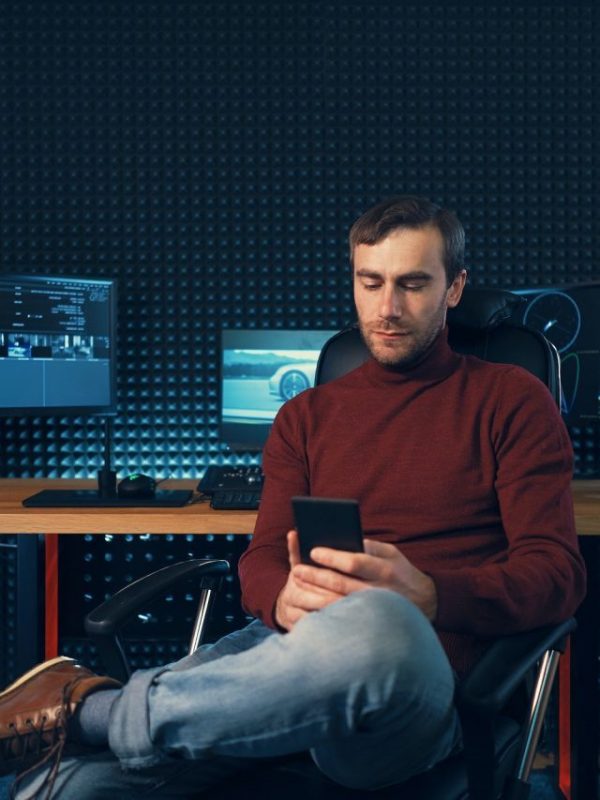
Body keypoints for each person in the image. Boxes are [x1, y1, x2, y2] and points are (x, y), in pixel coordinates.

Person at [0, 195, 586, 799]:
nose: (387, 308)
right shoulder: (305, 416)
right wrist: (284, 601)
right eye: (371, 282)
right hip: (286, 661)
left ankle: (90, 713)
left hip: (414, 685)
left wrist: (431, 595)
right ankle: (98, 724)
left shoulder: (512, 400)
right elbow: (260, 560)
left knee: (380, 621)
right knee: (62, 786)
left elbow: (557, 574)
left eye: (412, 284)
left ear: (454, 288)